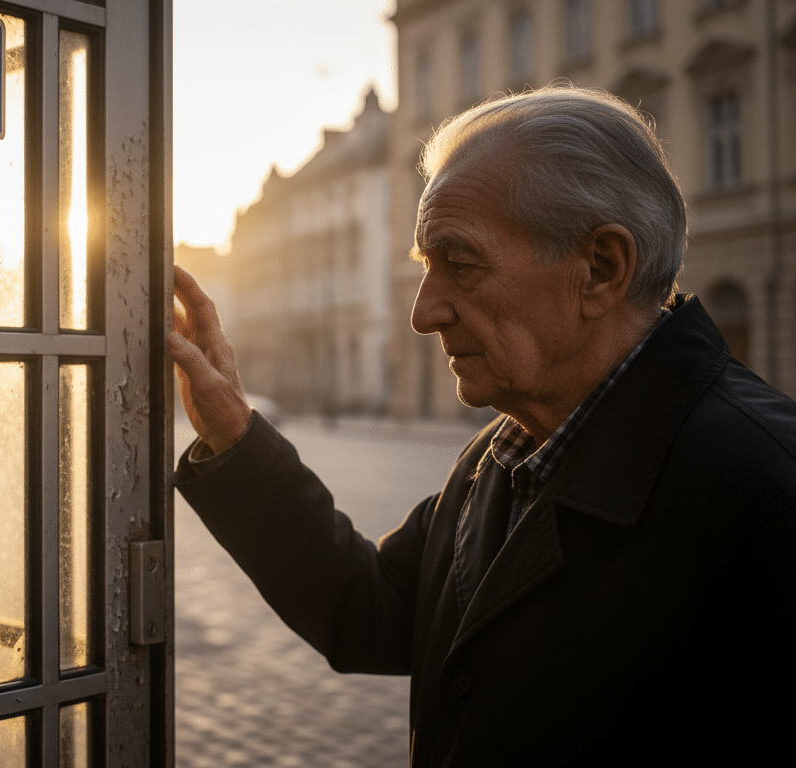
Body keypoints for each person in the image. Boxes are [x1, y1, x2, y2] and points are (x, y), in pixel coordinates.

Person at [170, 86, 795, 767]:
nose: (423, 311)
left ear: (601, 268)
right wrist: (236, 439)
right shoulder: (499, 453)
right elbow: (372, 610)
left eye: (459, 262)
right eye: (424, 266)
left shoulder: (765, 487)